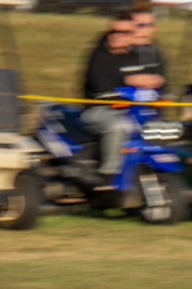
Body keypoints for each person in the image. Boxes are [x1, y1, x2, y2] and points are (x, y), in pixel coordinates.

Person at [80, 15, 163, 184]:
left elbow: (153, 78)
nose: (118, 35)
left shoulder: (136, 56)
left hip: (131, 110)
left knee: (157, 126)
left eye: (125, 32)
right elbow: (100, 86)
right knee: (120, 126)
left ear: (133, 34)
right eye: (114, 31)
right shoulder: (98, 55)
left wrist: (154, 81)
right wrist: (127, 81)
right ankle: (109, 173)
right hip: (99, 110)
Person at [129, 0, 168, 93]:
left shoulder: (155, 50)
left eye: (151, 25)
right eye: (141, 25)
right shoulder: (119, 49)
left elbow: (163, 82)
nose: (148, 29)